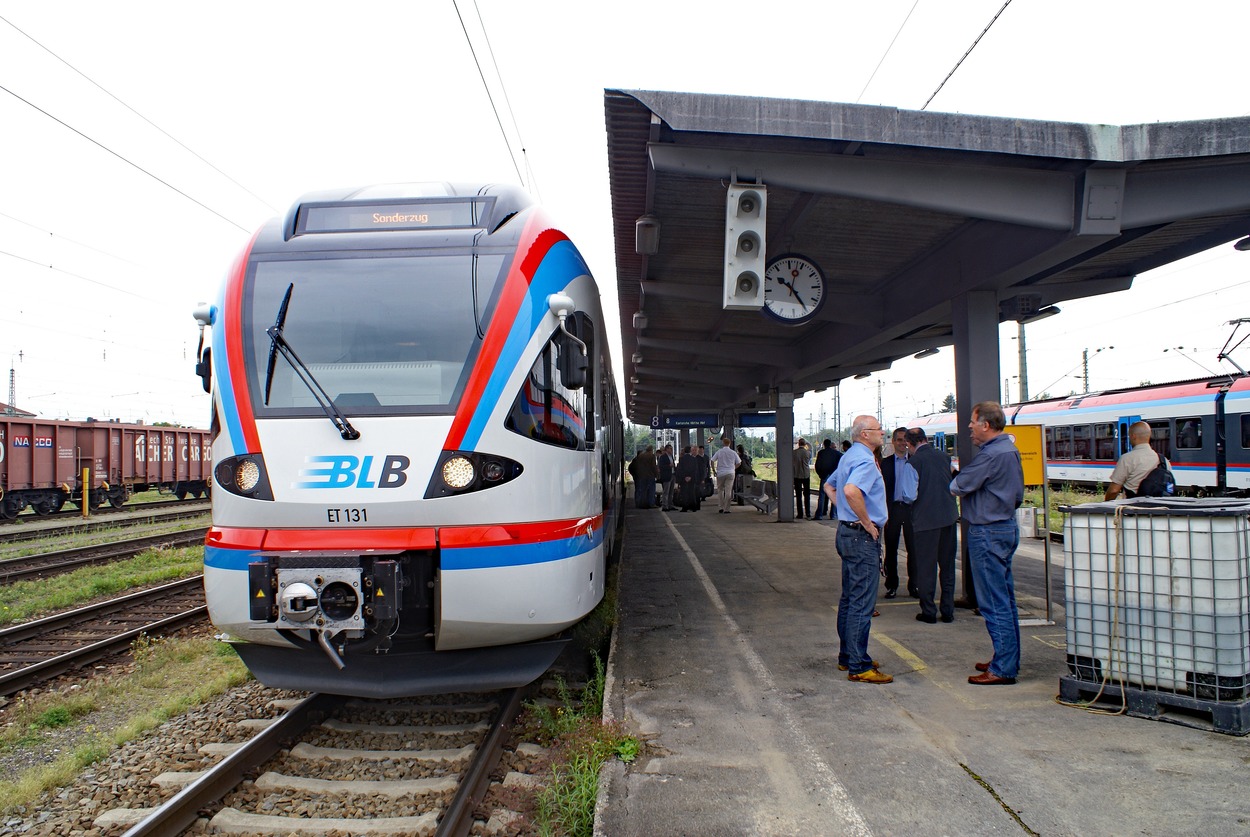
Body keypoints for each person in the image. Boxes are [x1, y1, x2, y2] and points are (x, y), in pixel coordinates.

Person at [950, 401, 1025, 686]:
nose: (969, 426)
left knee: (993, 602)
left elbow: (958, 485)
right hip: (1005, 527)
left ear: (986, 424)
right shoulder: (1010, 450)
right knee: (1005, 600)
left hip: (987, 532)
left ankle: (1003, 668)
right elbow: (1017, 494)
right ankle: (1005, 658)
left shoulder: (991, 455)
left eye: (973, 421)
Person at [824, 415, 893, 684]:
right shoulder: (864, 459)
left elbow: (831, 486)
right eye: (878, 429)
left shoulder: (849, 456)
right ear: (865, 434)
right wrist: (866, 521)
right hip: (861, 536)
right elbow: (852, 491)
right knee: (862, 603)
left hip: (846, 533)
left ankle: (847, 656)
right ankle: (859, 664)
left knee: (850, 598)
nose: (882, 432)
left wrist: (843, 510)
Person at [905, 428, 959, 624]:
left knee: (926, 567)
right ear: (925, 439)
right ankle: (948, 611)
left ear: (909, 444)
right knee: (947, 566)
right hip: (949, 517)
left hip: (926, 521)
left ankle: (929, 611)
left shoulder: (913, 463)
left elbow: (909, 495)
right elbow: (955, 480)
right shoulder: (944, 457)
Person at [880, 427, 918, 598]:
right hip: (893, 510)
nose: (903, 443)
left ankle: (914, 585)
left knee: (914, 549)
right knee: (891, 549)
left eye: (905, 440)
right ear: (893, 442)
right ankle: (892, 585)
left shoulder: (916, 461)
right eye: (900, 440)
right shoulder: (885, 464)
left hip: (911, 510)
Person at [1104, 421, 1168, 500]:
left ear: (1133, 436)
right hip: (1159, 508)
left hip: (1133, 508)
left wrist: (1106, 504)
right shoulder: (1163, 460)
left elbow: (1114, 491)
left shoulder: (1127, 459)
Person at [710, 436, 742, 514]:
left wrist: (714, 470)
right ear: (729, 444)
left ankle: (721, 507)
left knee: (720, 490)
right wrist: (733, 468)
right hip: (730, 473)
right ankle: (727, 509)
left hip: (720, 473)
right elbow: (739, 463)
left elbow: (712, 461)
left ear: (723, 443)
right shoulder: (733, 452)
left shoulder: (719, 452)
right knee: (728, 491)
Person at [812, 438, 842, 520]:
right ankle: (833, 515)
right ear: (831, 445)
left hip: (824, 476)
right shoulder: (837, 454)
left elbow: (817, 465)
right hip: (834, 476)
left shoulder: (821, 453)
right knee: (834, 494)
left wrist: (820, 475)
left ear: (824, 444)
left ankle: (819, 515)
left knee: (821, 495)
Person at [631, 445, 660, 509]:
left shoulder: (641, 456)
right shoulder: (652, 456)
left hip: (641, 476)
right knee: (651, 490)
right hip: (650, 475)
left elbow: (638, 466)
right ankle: (651, 503)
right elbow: (653, 466)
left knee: (642, 490)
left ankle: (640, 504)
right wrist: (656, 474)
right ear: (651, 450)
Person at [675, 446, 702, 511]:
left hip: (684, 479)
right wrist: (690, 476)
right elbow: (695, 469)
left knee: (684, 493)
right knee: (692, 493)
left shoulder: (682, 458)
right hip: (692, 478)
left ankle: (685, 507)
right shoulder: (693, 459)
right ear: (690, 451)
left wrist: (684, 477)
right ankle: (693, 507)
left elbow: (680, 469)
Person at [793, 438, 813, 519]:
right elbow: (810, 448)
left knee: (798, 495)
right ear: (805, 444)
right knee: (807, 495)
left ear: (798, 443)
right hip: (806, 475)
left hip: (797, 475)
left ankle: (800, 514)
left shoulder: (794, 452)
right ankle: (808, 513)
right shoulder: (808, 453)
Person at [657, 443, 676, 510]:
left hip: (672, 475)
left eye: (672, 449)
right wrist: (669, 466)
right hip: (667, 476)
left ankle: (670, 505)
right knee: (666, 492)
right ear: (667, 449)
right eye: (670, 449)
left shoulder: (671, 456)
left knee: (671, 492)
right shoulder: (663, 457)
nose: (671, 450)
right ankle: (665, 506)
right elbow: (661, 466)